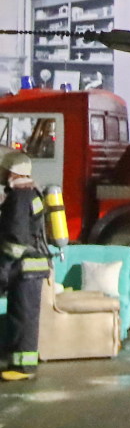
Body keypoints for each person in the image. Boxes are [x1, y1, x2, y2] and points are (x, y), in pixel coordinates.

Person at [0, 152, 50, 382]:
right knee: (23, 315)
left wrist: (4, 268)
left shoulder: (19, 197)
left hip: (24, 267)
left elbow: (16, 239)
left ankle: (23, 368)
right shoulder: (32, 192)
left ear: (12, 172)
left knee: (23, 316)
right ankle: (18, 361)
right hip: (32, 266)